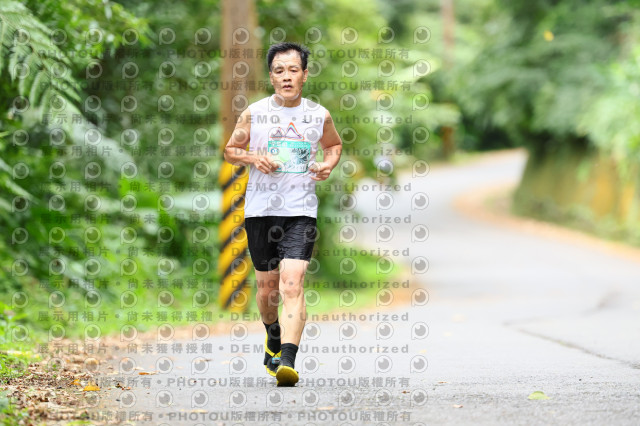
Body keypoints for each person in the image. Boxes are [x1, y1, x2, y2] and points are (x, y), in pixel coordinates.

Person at [223, 42, 342, 386]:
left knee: (293, 282)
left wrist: (328, 165)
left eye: (293, 70)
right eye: (279, 70)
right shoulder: (254, 113)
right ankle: (272, 333)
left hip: (300, 211)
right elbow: (230, 150)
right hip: (260, 212)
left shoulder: (318, 115)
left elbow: (333, 145)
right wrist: (253, 157)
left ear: (305, 75)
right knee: (267, 291)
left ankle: (287, 361)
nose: (286, 76)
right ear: (271, 76)